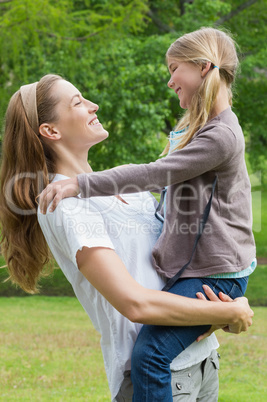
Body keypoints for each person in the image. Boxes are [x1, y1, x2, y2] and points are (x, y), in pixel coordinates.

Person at [0, 74, 253, 401]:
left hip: (201, 362)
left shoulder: (127, 192)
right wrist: (229, 312)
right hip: (155, 376)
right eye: (78, 102)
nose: (94, 106)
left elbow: (174, 274)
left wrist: (225, 307)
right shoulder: (65, 205)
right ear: (51, 131)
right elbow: (134, 302)